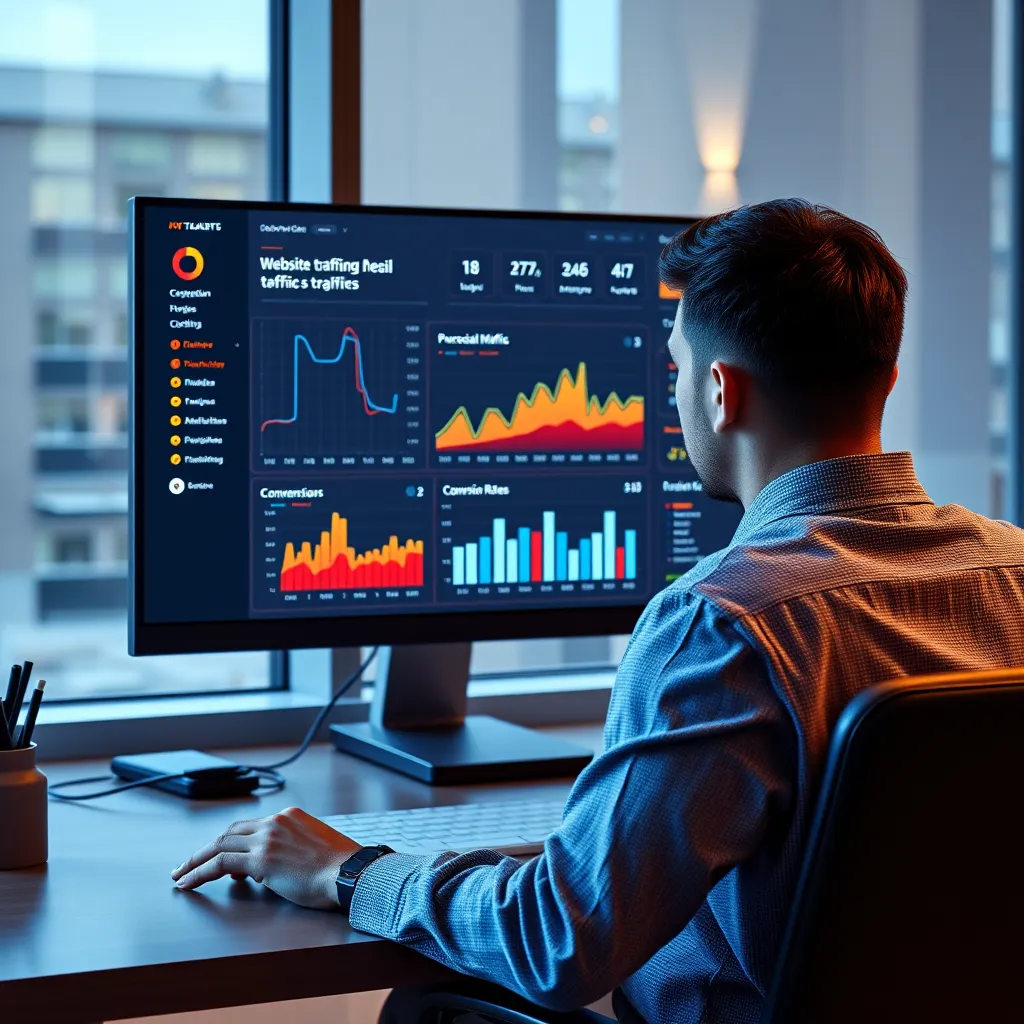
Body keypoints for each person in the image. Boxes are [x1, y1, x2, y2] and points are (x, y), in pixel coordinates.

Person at [172, 200, 1024, 1024]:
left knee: (425, 1007)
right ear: (887, 377)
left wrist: (350, 871)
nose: (673, 396)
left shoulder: (725, 623)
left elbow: (562, 941)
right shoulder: (1015, 569)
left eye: (674, 371)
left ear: (721, 392)